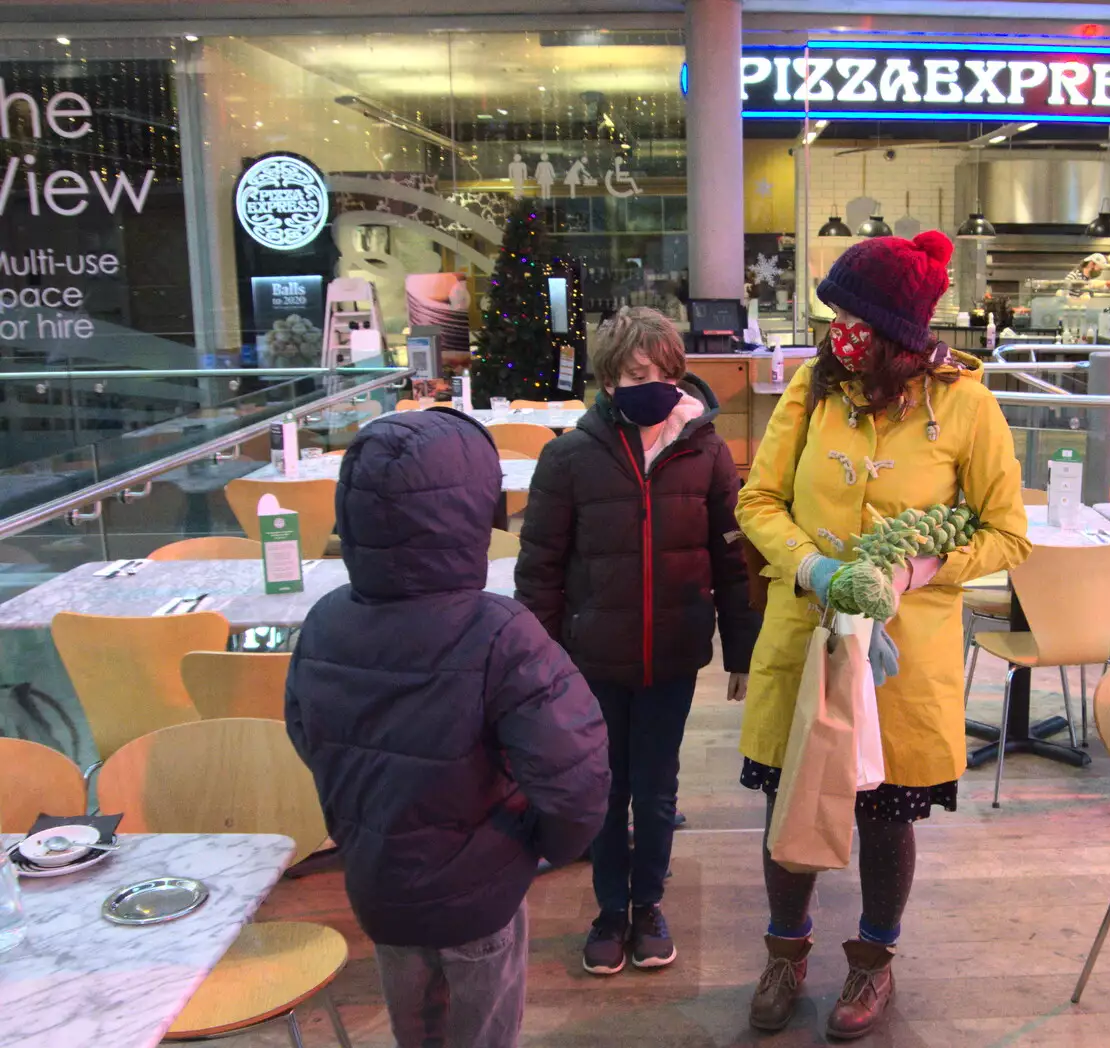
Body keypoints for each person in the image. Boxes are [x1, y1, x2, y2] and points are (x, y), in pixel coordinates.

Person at [735, 230, 1031, 1039]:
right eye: (834, 314)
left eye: (856, 318)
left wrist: (918, 570)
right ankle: (785, 952)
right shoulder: (811, 389)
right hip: (806, 633)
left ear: (902, 331)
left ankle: (873, 962)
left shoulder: (968, 406)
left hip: (903, 657)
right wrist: (811, 568)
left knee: (885, 813)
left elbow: (1009, 535)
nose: (841, 333)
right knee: (790, 802)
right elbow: (757, 502)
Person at [285, 408, 611, 1048]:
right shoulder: (500, 633)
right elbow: (575, 776)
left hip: (379, 885)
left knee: (416, 1031)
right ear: (471, 510)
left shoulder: (323, 622)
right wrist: (537, 844)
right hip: (479, 893)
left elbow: (306, 735)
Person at [516, 305, 761, 977]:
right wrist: (536, 664)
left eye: (656, 372)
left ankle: (648, 904)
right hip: (591, 657)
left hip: (674, 652)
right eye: (630, 372)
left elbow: (732, 558)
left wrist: (741, 650)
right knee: (604, 787)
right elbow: (538, 569)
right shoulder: (568, 458)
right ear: (607, 379)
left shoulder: (708, 453)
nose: (644, 383)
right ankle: (608, 911)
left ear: (677, 374)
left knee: (655, 790)